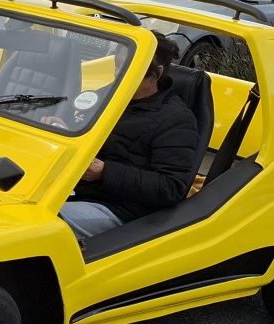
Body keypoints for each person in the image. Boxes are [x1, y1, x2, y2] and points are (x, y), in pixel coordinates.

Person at [57, 33, 200, 240]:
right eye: (116, 65)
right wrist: (63, 129)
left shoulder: (177, 120)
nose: (118, 74)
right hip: (72, 189)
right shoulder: (106, 94)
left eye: (129, 69)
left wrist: (105, 172)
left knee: (40, 226)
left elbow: (171, 187)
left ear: (156, 74)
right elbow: (79, 126)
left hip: (120, 208)